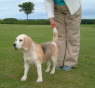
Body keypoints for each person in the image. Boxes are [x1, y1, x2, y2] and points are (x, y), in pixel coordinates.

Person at [44, 0, 81, 71]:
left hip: (73, 8)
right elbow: (48, 1)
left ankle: (70, 62)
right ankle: (58, 61)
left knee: (72, 37)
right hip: (57, 10)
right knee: (59, 36)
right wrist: (51, 19)